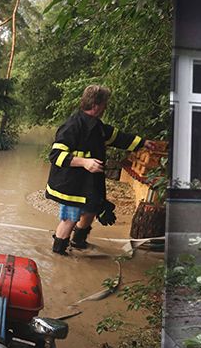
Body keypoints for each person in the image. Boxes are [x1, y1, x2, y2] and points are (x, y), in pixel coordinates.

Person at [45, 85, 155, 254]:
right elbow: (55, 155)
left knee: (91, 210)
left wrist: (142, 142)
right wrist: (84, 162)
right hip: (72, 184)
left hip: (88, 183)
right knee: (70, 219)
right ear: (96, 105)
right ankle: (59, 252)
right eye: (105, 104)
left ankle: (78, 242)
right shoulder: (72, 125)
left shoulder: (98, 126)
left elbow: (117, 137)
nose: (106, 107)